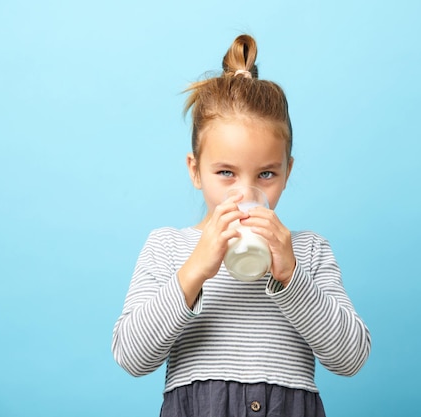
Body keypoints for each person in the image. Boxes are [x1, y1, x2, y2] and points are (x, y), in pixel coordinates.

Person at [112, 34, 371, 417]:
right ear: (195, 171)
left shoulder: (309, 251)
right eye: (226, 173)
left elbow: (350, 358)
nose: (245, 193)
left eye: (266, 173)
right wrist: (194, 271)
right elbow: (132, 356)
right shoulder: (168, 247)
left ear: (287, 172)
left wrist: (292, 275)